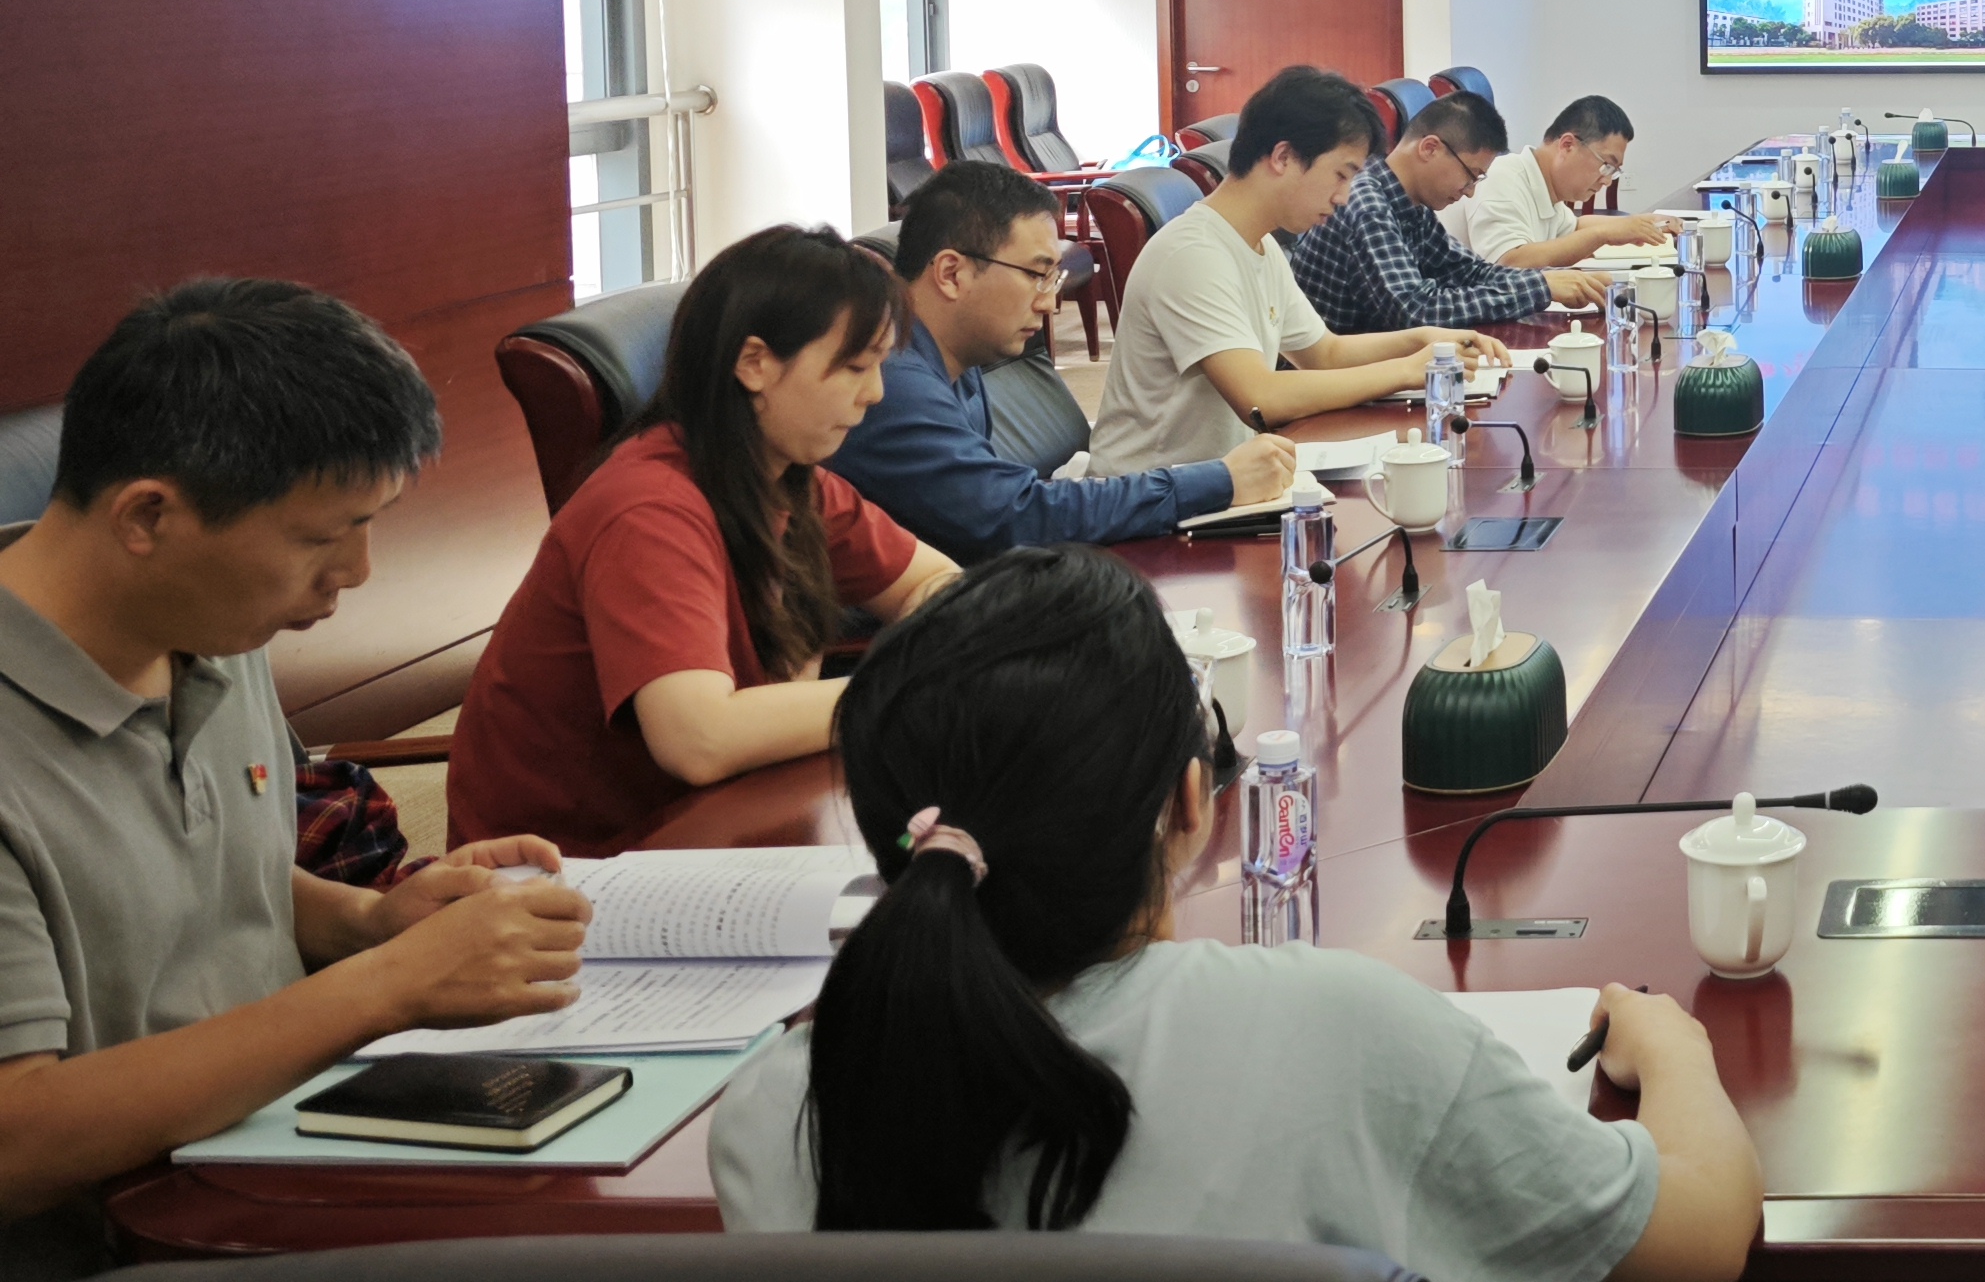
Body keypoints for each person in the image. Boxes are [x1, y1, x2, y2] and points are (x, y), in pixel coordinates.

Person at [708, 548, 1763, 1280]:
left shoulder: (771, 1111)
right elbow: (1702, 1240)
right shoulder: (1338, 1032)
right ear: (1190, 804)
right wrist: (1674, 1053)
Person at [0, 283, 598, 1277]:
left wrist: (369, 923)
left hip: (281, 1165)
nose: (356, 572)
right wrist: (385, 986)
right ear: (148, 515)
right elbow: (15, 1141)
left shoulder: (209, 627)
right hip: (131, 1243)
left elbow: (192, 870)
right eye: (321, 537)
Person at [451, 227, 965, 854]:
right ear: (755, 364)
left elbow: (938, 583)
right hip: (570, 870)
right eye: (856, 367)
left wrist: (921, 654)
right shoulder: (648, 510)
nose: (875, 393)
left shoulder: (791, 480)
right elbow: (699, 740)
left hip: (721, 820)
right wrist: (904, 689)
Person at [828, 162, 1294, 563]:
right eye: (1037, 274)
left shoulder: (955, 357)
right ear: (952, 274)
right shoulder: (892, 382)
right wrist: (1219, 481)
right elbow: (1015, 516)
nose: (1050, 303)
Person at [1088, 66, 1513, 482]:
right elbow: (1260, 398)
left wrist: (1423, 339)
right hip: (1152, 495)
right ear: (1284, 157)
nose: (1344, 197)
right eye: (1341, 175)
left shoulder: (1260, 244)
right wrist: (1407, 370)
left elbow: (1324, 353)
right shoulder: (1193, 254)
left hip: (1223, 479)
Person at [1293, 89, 1602, 333]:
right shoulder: (1367, 203)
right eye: (1471, 175)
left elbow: (1467, 272)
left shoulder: (1411, 204)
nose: (1470, 191)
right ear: (1430, 148)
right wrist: (1538, 288)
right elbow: (1415, 311)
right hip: (1335, 380)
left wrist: (1549, 281)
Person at [1449, 95, 1673, 269]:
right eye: (1606, 165)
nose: (1606, 181)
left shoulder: (1544, 184)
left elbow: (1574, 227)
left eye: (1613, 171)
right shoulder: (1501, 178)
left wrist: (1638, 224)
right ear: (1567, 145)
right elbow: (1509, 263)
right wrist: (1603, 235)